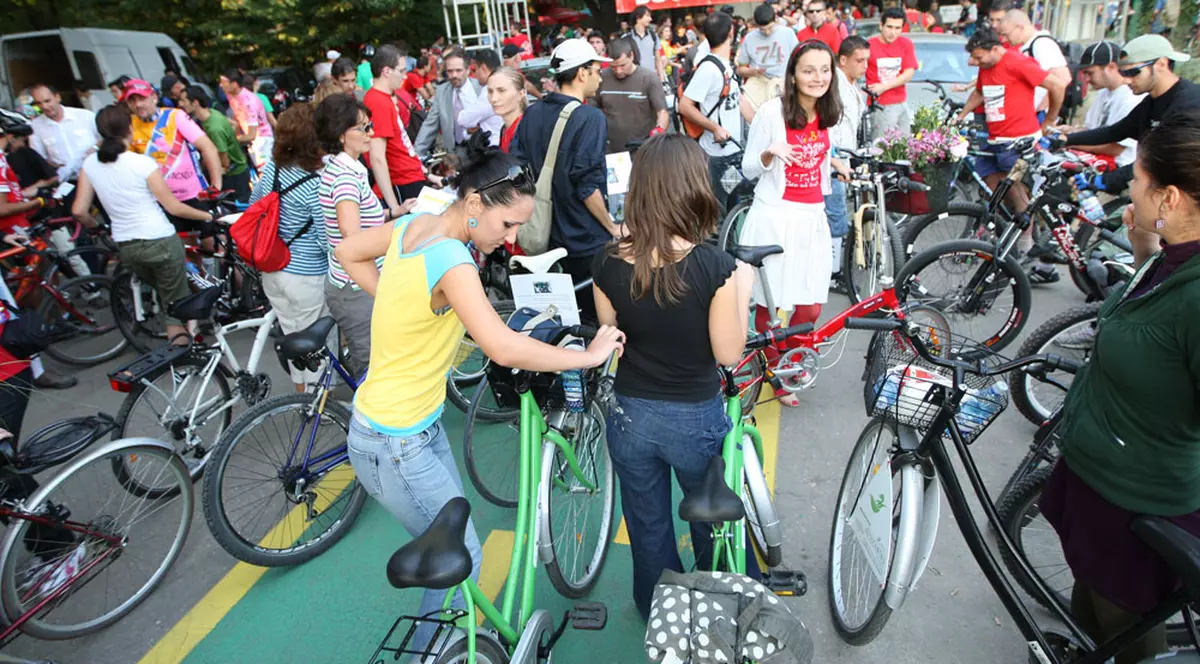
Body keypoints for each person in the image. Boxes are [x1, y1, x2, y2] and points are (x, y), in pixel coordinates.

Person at [333, 141, 624, 657]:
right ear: (473, 206)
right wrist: (587, 356)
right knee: (460, 553)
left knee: (450, 545)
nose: (511, 239)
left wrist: (403, 306)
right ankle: (433, 653)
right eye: (507, 225)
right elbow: (501, 345)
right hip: (396, 441)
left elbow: (347, 251)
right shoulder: (453, 261)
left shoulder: (411, 227)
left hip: (399, 428)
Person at [1039, 112, 1200, 664]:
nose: (1129, 185)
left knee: (1126, 626)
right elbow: (1147, 321)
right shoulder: (1171, 261)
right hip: (1102, 482)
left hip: (1137, 497)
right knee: (1095, 605)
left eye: (1138, 178)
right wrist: (1141, 249)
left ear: (1170, 197)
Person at [592, 133, 755, 620]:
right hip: (694, 417)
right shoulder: (715, 267)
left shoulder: (606, 260)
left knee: (646, 522)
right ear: (693, 186)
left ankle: (657, 604)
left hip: (629, 414)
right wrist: (741, 287)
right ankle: (710, 602)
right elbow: (728, 354)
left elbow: (609, 335)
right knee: (708, 518)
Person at [739, 40, 847, 407]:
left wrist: (833, 164)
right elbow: (748, 166)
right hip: (776, 215)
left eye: (824, 70)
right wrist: (771, 152)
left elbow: (817, 151)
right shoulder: (772, 112)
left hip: (812, 216)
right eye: (808, 70)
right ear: (793, 75)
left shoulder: (827, 110)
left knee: (811, 304)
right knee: (774, 301)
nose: (818, 78)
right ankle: (778, 374)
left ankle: (796, 358)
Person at [73, 104, 213, 346]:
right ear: (129, 127)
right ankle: (184, 360)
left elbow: (78, 211)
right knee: (175, 310)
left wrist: (97, 226)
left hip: (127, 247)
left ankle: (188, 341)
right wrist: (208, 217)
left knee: (165, 295)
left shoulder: (90, 165)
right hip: (160, 241)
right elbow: (173, 207)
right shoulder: (143, 164)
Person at [1064, 35, 1200, 270]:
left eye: (1133, 73)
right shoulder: (1151, 102)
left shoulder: (1188, 104)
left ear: (1161, 63)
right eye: (1123, 73)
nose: (1126, 81)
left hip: (1182, 202)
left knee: (1172, 264)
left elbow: (1159, 163)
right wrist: (1065, 139)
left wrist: (1103, 180)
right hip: (1156, 191)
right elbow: (1115, 131)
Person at [511, 38, 617, 320]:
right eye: (596, 69)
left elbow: (516, 169)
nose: (600, 75)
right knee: (595, 322)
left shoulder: (532, 113)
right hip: (584, 238)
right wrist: (612, 227)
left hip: (542, 236)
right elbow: (587, 185)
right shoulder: (590, 118)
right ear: (582, 73)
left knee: (558, 320)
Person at [955, 30, 1064, 281]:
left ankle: (1027, 247)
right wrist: (961, 116)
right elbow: (980, 92)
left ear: (995, 49)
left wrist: (1049, 119)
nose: (977, 63)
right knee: (994, 187)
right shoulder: (987, 67)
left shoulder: (1018, 62)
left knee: (1015, 190)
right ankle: (1009, 236)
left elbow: (1056, 84)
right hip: (994, 138)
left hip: (1018, 141)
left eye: (980, 58)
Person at [316, 93, 403, 378]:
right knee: (374, 376)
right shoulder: (344, 178)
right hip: (356, 289)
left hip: (354, 285)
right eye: (363, 128)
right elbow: (353, 240)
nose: (371, 134)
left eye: (370, 125)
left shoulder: (343, 169)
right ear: (342, 135)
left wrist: (394, 213)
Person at [249, 104, 329, 392]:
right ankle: (317, 405)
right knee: (315, 345)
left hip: (272, 270)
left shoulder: (272, 170)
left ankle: (300, 395)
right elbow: (325, 240)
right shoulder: (315, 184)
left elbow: (254, 205)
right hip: (306, 275)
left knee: (292, 337)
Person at [121, 79, 223, 229]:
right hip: (161, 200)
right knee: (186, 247)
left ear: (154, 97)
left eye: (142, 98)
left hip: (194, 194)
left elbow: (208, 147)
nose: (138, 105)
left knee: (213, 243)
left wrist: (216, 186)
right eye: (132, 100)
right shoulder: (129, 125)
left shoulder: (175, 116)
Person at [679, 10, 746, 214]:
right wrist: (714, 127)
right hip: (716, 156)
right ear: (731, 33)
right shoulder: (709, 68)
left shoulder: (727, 65)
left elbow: (739, 102)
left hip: (733, 151)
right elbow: (685, 105)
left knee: (734, 206)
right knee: (719, 212)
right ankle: (718, 245)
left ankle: (730, 245)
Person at [362, 45, 429, 217]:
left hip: (409, 176)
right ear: (386, 71)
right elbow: (377, 158)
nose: (405, 76)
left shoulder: (383, 98)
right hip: (403, 181)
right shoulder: (378, 102)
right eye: (401, 70)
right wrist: (394, 209)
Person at [1055, 41, 1144, 168]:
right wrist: (1071, 131)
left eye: (1090, 73)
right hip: (1094, 161)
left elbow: (1116, 148)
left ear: (1111, 67)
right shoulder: (1103, 93)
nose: (1086, 79)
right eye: (1084, 73)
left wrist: (1068, 141)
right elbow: (1092, 129)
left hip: (1118, 169)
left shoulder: (1132, 97)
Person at [829, 36, 870, 287]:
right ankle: (834, 273)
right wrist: (834, 157)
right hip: (833, 155)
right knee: (835, 212)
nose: (865, 65)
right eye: (859, 60)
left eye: (867, 60)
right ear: (843, 60)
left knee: (838, 210)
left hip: (845, 154)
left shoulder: (851, 85)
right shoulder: (834, 84)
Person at [178, 86, 251, 203]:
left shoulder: (213, 129)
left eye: (183, 100)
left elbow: (224, 161)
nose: (180, 104)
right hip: (240, 168)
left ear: (195, 102)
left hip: (234, 176)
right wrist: (232, 141)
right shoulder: (212, 113)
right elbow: (234, 124)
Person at [595, 37, 669, 154]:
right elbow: (593, 109)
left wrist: (659, 130)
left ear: (632, 56)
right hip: (611, 150)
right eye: (613, 66)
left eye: (623, 65)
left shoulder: (649, 79)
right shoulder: (601, 78)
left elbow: (662, 112)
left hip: (642, 148)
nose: (618, 71)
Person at [1002, 8, 1071, 125]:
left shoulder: (1042, 44)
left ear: (1020, 27)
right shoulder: (1028, 46)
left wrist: (1043, 111)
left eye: (1006, 34)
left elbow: (1063, 78)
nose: (1004, 39)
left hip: (1038, 116)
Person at [414, 48, 485, 160]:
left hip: (481, 148)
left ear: (467, 70)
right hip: (455, 152)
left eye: (458, 70)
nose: (454, 75)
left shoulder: (481, 89)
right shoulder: (442, 91)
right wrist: (416, 154)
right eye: (450, 71)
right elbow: (430, 124)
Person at [28, 84, 100, 182]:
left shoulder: (85, 116)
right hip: (68, 180)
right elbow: (39, 157)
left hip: (97, 175)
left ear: (57, 97)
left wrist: (95, 148)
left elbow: (105, 139)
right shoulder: (36, 126)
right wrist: (52, 165)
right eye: (38, 103)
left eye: (47, 101)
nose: (44, 106)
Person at [736, 4, 798, 115]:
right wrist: (753, 71)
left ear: (775, 19)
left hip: (783, 83)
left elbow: (798, 60)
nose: (767, 32)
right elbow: (740, 69)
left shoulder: (788, 34)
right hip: (759, 84)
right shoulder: (750, 38)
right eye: (762, 30)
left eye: (770, 28)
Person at [866, 8, 918, 140]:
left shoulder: (906, 44)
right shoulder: (868, 45)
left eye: (897, 28)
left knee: (904, 146)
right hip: (879, 104)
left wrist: (884, 87)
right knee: (881, 146)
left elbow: (909, 73)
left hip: (901, 101)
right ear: (881, 25)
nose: (893, 32)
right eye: (889, 27)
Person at [220, 69, 275, 171]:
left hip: (261, 139)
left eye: (223, 82)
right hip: (247, 137)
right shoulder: (230, 94)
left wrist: (231, 139)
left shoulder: (249, 102)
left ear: (234, 84)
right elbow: (236, 118)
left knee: (265, 174)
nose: (220, 85)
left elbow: (252, 135)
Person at [456, 49, 504, 147]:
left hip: (494, 147)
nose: (475, 75)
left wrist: (474, 122)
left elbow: (463, 119)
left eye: (475, 70)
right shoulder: (508, 83)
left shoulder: (491, 90)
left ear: (483, 68)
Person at [488, 66, 527, 154]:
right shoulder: (504, 129)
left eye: (501, 91)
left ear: (520, 94)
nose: (494, 98)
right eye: (490, 91)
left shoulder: (527, 129)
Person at [628, 6, 664, 81]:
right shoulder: (627, 38)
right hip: (634, 79)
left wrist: (662, 79)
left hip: (651, 78)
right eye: (647, 16)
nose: (650, 19)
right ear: (638, 17)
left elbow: (658, 60)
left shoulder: (653, 36)